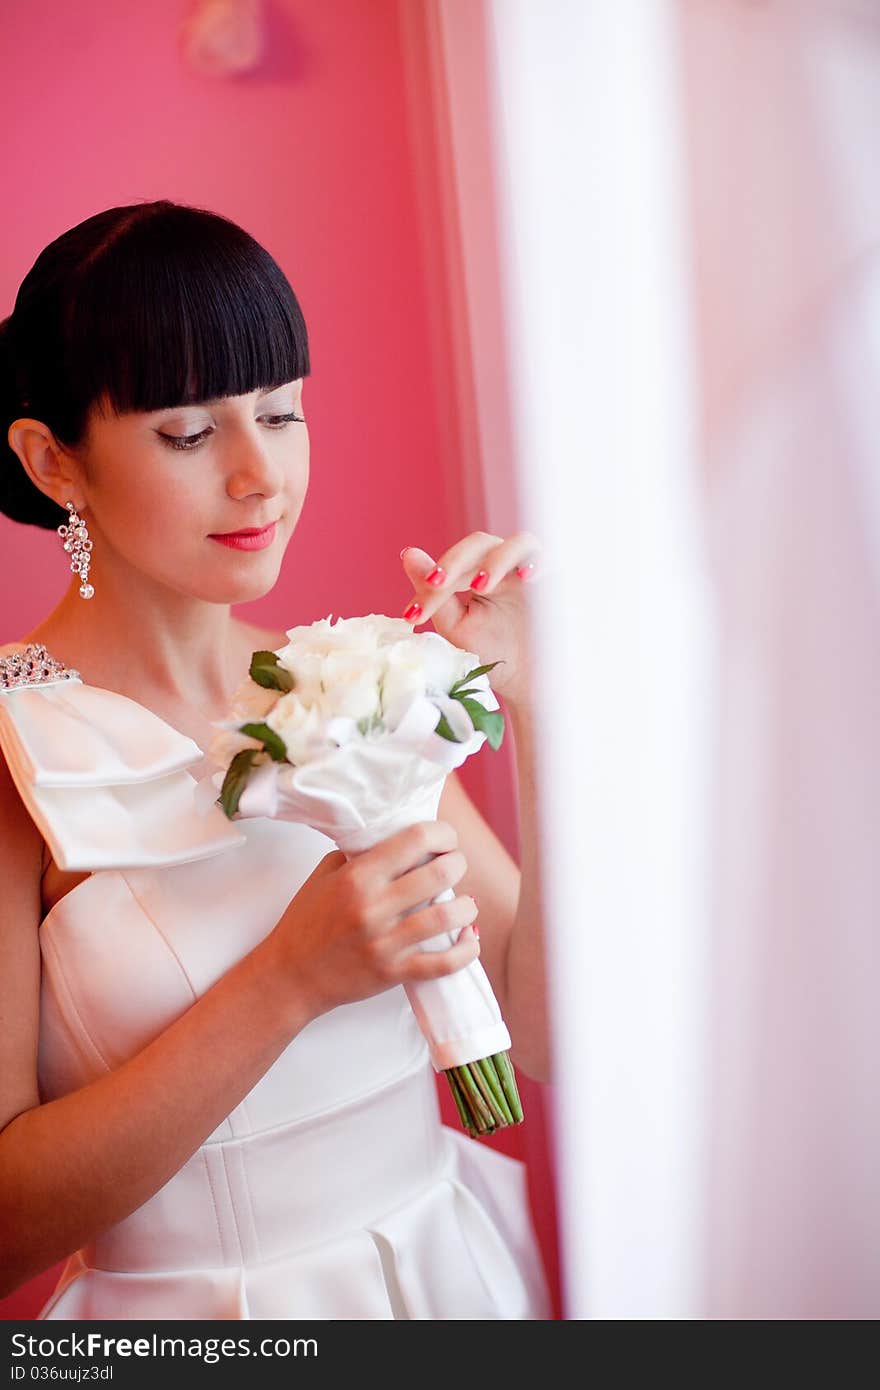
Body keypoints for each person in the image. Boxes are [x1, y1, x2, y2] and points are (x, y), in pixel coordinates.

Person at [0, 199, 552, 1320]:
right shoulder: (10, 749)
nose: (260, 475)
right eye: (189, 434)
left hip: (449, 1276)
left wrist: (537, 709)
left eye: (282, 411)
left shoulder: (352, 680)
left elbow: (541, 1036)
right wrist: (289, 980)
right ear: (53, 460)